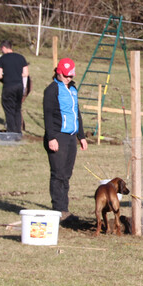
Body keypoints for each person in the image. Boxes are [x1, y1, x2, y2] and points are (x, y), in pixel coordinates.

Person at [43, 58, 88, 220]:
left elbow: (76, 113)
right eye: (66, 76)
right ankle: (58, 209)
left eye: (71, 76)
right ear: (59, 72)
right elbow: (47, 115)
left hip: (70, 137)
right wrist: (51, 137)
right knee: (58, 173)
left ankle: (65, 208)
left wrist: (81, 136)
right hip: (57, 136)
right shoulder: (52, 90)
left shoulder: (73, 89)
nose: (69, 78)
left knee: (67, 174)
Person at [0, 40, 29, 134]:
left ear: (3, 48)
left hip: (8, 86)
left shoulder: (2, 59)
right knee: (17, 108)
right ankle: (18, 131)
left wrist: (6, 75)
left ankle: (11, 131)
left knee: (8, 108)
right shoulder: (21, 57)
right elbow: (26, 73)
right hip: (19, 86)